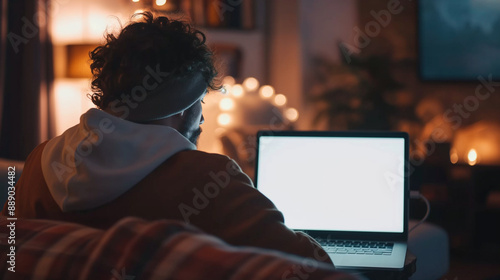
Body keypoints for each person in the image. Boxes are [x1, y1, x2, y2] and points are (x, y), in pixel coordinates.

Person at [1, 12, 332, 265]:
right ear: (182, 105)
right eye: (200, 101)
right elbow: (312, 266)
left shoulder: (37, 165)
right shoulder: (209, 179)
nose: (202, 118)